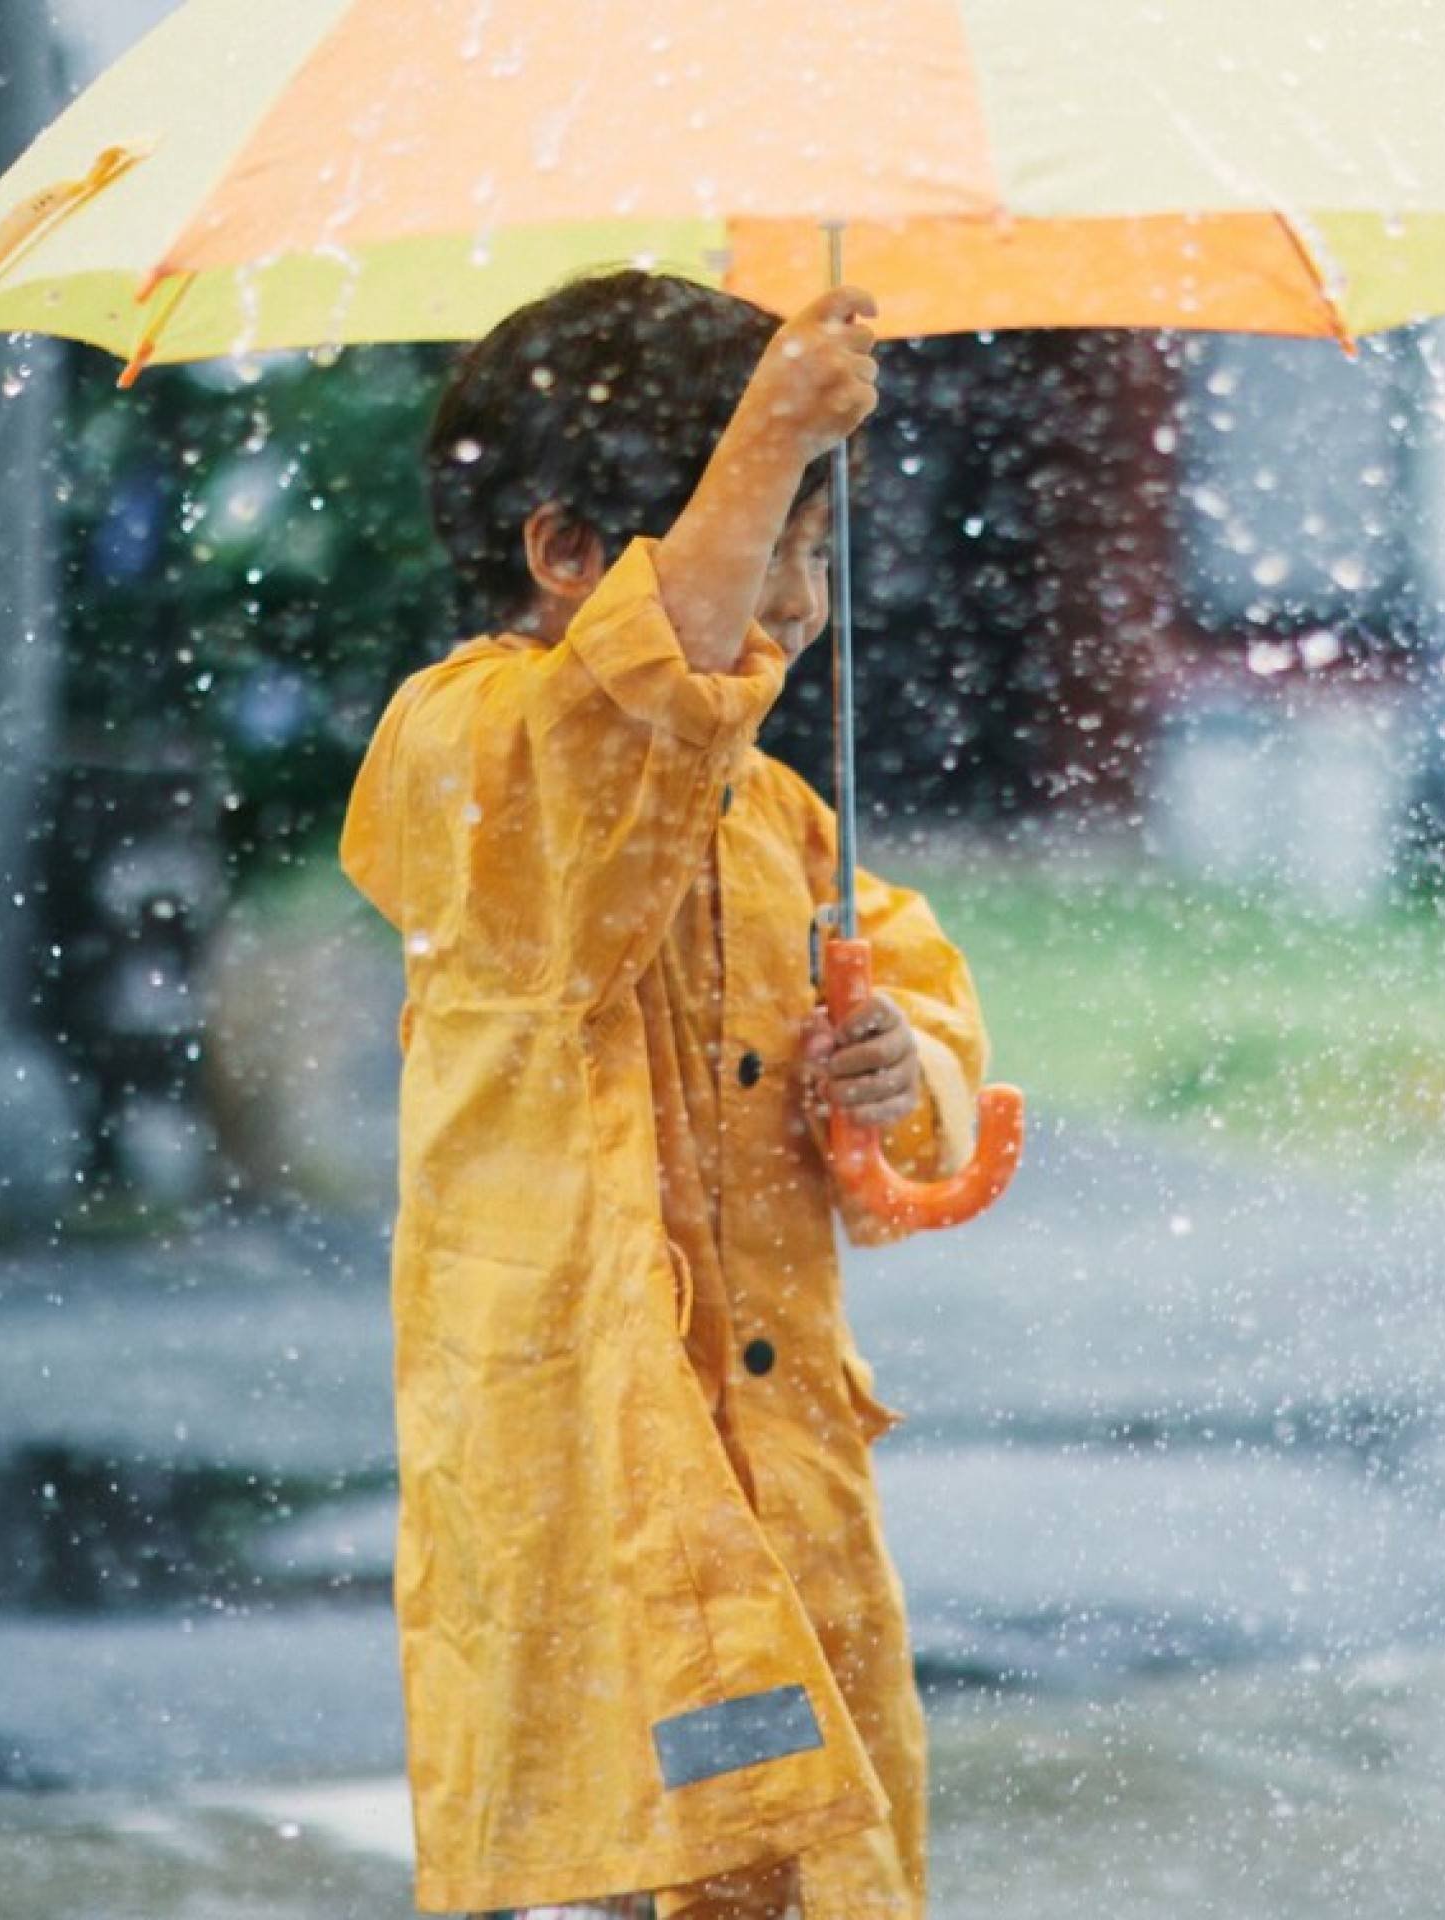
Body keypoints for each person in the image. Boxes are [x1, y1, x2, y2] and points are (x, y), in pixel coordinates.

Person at [338, 270, 991, 1920]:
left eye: (818, 548)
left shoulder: (773, 811)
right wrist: (773, 421)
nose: (803, 594)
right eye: (775, 534)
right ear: (563, 555)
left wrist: (904, 1071)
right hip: (587, 1470)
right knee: (609, 1842)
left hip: (770, 1466)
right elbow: (620, 742)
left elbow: (923, 1028)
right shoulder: (466, 745)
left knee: (780, 1841)